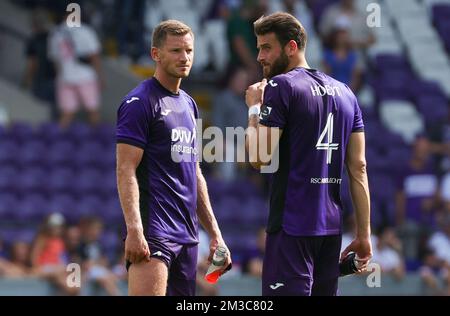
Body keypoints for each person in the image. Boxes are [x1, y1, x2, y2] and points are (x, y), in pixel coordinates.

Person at [244, 12, 372, 296]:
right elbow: (359, 167)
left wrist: (254, 108)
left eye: (266, 47)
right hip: (330, 230)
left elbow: (258, 157)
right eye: (258, 49)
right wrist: (364, 234)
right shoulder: (346, 93)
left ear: (291, 47)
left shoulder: (281, 86)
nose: (260, 57)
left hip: (292, 227)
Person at [116, 20, 232, 296]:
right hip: (154, 231)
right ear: (156, 54)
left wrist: (215, 234)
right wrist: (134, 229)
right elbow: (125, 169)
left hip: (188, 237)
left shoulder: (189, 104)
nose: (185, 58)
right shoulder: (139, 103)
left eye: (189, 51)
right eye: (176, 50)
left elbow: (195, 173)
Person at [48, 11, 104, 128]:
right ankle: (97, 141)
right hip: (86, 77)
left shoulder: (56, 33)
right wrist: (100, 77)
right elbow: (94, 56)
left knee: (67, 113)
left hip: (65, 77)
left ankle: (58, 142)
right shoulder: (86, 31)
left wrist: (60, 76)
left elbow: (55, 60)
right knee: (92, 111)